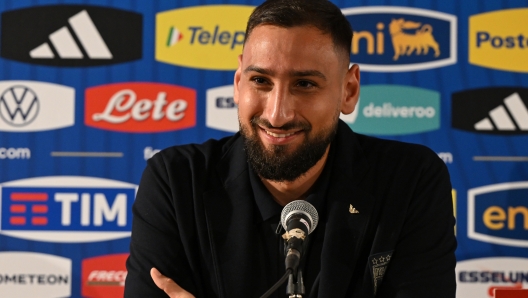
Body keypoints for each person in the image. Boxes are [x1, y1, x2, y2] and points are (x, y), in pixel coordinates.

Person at [124, 0, 457, 297]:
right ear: (239, 82)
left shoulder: (410, 181)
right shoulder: (176, 180)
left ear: (349, 90)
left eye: (305, 84)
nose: (277, 114)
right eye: (261, 81)